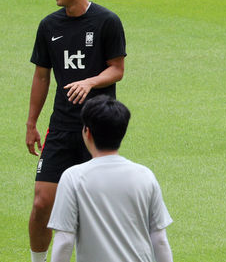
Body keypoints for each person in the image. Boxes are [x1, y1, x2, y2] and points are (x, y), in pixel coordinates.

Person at [25, 0, 126, 262]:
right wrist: (32, 123)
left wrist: (90, 82)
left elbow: (117, 69)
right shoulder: (49, 25)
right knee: (42, 202)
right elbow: (42, 76)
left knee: (96, 207)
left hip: (98, 128)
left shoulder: (107, 21)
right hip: (61, 127)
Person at [48, 95, 173, 262]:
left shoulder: (73, 177)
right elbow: (159, 240)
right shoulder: (145, 176)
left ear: (87, 132)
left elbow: (64, 241)